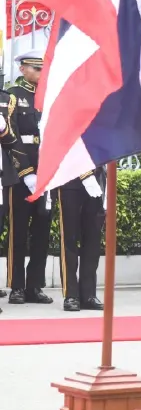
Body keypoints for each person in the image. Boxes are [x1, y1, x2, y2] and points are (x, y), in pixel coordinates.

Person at [5, 49, 54, 305]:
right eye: (36, 69)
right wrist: (26, 172)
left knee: (42, 231)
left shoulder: (50, 97)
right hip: (20, 176)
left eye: (43, 69)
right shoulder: (13, 97)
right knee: (19, 232)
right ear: (23, 68)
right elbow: (9, 139)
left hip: (46, 174)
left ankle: (35, 285)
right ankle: (17, 287)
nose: (40, 73)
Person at [57, 168, 106, 311]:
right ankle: (71, 295)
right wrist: (85, 175)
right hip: (70, 181)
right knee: (69, 239)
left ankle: (88, 294)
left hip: (95, 180)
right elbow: (68, 145)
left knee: (93, 239)